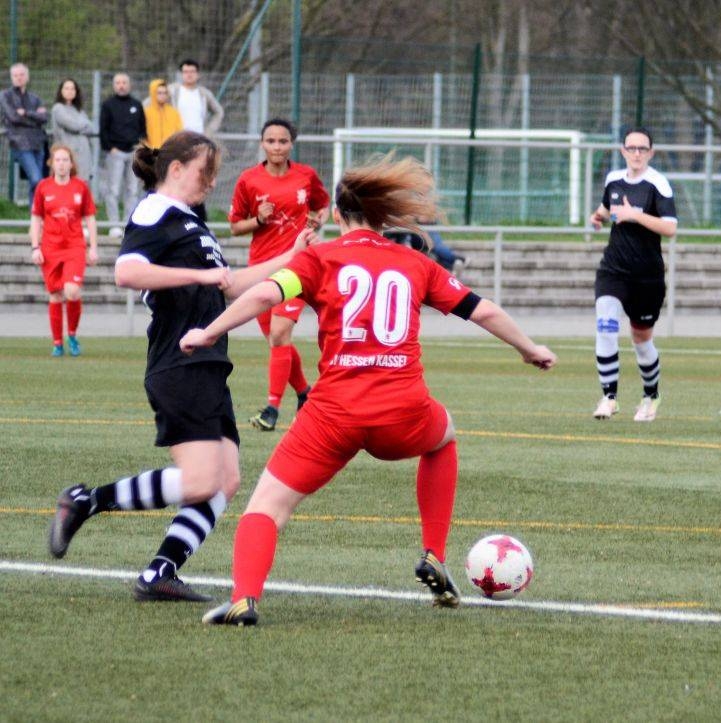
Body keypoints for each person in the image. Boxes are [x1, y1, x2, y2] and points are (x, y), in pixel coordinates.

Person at [180, 155, 557, 626]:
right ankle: (433, 553)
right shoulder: (415, 263)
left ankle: (244, 599)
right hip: (403, 413)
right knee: (444, 437)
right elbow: (482, 310)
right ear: (383, 218)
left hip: (332, 416)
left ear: (338, 215)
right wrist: (529, 348)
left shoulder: (319, 257)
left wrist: (208, 332)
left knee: (267, 507)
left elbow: (262, 294)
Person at [47, 131, 316, 602]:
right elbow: (126, 271)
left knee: (225, 481)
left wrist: (290, 259)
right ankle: (86, 501)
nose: (211, 182)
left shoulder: (192, 222)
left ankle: (160, 572)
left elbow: (230, 286)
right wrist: (198, 274)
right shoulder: (156, 209)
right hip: (179, 360)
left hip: (208, 363)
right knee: (201, 480)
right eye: (204, 172)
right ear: (175, 169)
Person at [229, 118, 330, 431]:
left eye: (283, 141)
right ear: (262, 143)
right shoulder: (248, 180)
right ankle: (305, 394)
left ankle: (271, 410)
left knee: (279, 334)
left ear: (291, 144)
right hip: (261, 268)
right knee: (278, 341)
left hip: (297, 267)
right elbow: (235, 226)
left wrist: (318, 221)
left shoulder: (305, 175)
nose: (276, 147)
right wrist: (258, 220)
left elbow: (323, 206)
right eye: (271, 141)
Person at [588, 126, 677, 422]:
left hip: (647, 276)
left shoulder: (657, 184)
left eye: (642, 149)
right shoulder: (613, 180)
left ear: (651, 153)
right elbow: (606, 208)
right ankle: (609, 397)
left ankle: (651, 396)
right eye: (632, 148)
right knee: (605, 325)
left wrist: (635, 215)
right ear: (623, 151)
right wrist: (597, 217)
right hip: (614, 270)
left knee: (641, 340)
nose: (637, 153)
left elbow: (670, 228)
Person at [29, 144, 98, 356]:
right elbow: (36, 219)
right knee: (55, 295)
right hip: (50, 248)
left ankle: (72, 335)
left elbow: (90, 218)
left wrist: (93, 247)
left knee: (72, 290)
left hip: (74, 246)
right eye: (57, 160)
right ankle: (57, 343)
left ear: (71, 163)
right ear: (51, 163)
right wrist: (35, 247)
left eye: (65, 160)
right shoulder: (43, 187)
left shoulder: (80, 187)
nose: (61, 164)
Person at [99, 72, 146, 237]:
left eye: (124, 82)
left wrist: (140, 147)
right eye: (118, 83)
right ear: (114, 85)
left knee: (132, 190)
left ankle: (128, 224)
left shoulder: (136, 104)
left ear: (129, 85)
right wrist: (110, 148)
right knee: (113, 190)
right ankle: (114, 225)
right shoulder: (108, 105)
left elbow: (143, 128)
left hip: (133, 153)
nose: (121, 85)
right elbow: (103, 129)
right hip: (115, 153)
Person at [1, 63, 48, 205]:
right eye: (15, 75)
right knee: (36, 179)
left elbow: (44, 118)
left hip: (38, 143)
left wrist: (26, 113)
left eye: (21, 74)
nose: (19, 78)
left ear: (27, 77)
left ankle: (35, 214)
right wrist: (35, 118)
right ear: (11, 78)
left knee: (38, 182)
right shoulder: (5, 96)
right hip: (20, 143)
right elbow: (14, 118)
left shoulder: (34, 97)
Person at [50, 77, 96, 184]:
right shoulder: (58, 108)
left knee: (83, 185)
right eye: (66, 88)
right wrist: (83, 125)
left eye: (72, 88)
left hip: (83, 155)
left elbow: (91, 128)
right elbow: (73, 125)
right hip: (67, 155)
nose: (70, 91)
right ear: (61, 91)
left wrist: (81, 126)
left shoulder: (79, 110)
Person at [168, 59, 224, 137]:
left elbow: (219, 112)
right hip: (178, 138)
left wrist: (208, 132)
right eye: (186, 72)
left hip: (198, 138)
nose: (189, 75)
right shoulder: (172, 91)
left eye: (192, 72)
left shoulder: (204, 94)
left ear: (198, 74)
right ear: (181, 74)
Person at [143, 79, 183, 149]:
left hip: (170, 152)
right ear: (153, 93)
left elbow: (179, 133)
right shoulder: (146, 113)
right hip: (152, 152)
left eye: (165, 93)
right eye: (159, 93)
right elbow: (142, 136)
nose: (163, 95)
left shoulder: (173, 112)